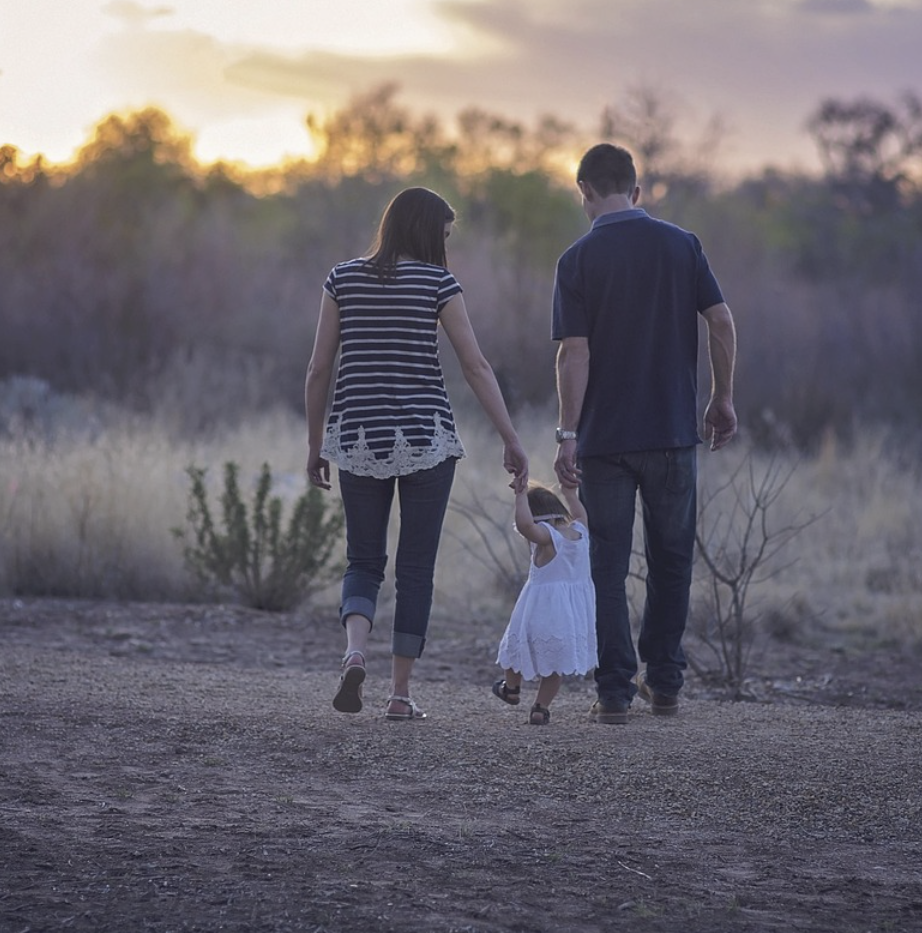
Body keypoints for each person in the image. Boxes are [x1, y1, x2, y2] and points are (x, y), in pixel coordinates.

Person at [305, 186, 529, 721]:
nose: (446, 245)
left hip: (357, 438)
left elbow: (318, 370)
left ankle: (355, 650)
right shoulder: (438, 283)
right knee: (416, 569)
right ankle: (400, 695)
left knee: (363, 560)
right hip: (427, 439)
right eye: (444, 235)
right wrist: (510, 437)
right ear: (428, 232)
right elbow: (475, 366)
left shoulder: (342, 278)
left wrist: (316, 445)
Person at [552, 143, 738, 724]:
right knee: (672, 559)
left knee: (607, 565)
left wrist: (567, 432)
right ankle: (666, 683)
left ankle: (613, 693)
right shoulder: (683, 246)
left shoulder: (577, 260)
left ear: (583, 191)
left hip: (606, 441)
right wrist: (722, 397)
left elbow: (573, 354)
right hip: (673, 433)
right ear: (637, 190)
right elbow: (722, 321)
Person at [492, 483, 598, 725]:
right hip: (570, 616)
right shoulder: (580, 532)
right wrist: (570, 493)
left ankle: (511, 688)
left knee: (514, 649)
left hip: (539, 611)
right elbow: (581, 514)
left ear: (538, 517)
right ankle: (540, 708)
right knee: (554, 665)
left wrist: (520, 496)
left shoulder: (548, 538)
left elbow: (525, 525)